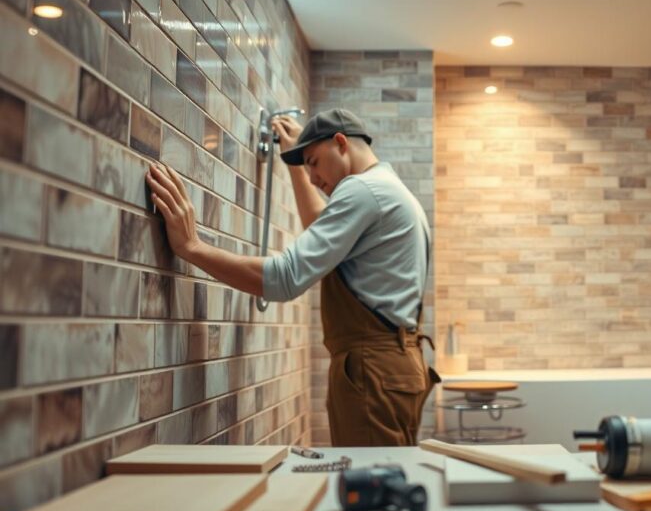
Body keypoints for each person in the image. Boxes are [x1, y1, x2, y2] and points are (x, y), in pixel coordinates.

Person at [146, 108, 439, 446]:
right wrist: (297, 165)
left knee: (371, 489)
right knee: (385, 482)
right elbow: (322, 229)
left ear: (341, 143)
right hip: (399, 366)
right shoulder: (391, 190)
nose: (312, 177)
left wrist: (192, 247)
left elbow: (285, 278)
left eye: (313, 161)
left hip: (372, 371)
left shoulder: (362, 190)